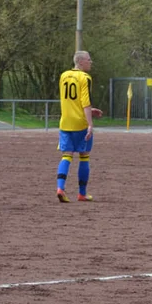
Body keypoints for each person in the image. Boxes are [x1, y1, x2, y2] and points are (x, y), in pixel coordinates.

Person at [56, 50, 103, 202]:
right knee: (84, 157)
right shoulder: (85, 77)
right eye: (89, 60)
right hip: (80, 123)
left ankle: (60, 188)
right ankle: (82, 193)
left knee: (66, 156)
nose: (91, 62)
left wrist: (90, 110)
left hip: (65, 122)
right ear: (81, 62)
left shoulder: (63, 75)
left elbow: (69, 100)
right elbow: (85, 102)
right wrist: (90, 124)